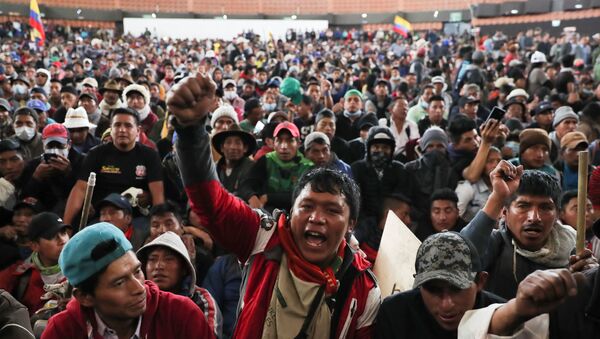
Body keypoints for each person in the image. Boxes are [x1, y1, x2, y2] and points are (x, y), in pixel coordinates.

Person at [166, 74, 380, 338]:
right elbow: (213, 204)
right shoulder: (264, 237)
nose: (316, 218)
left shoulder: (364, 289)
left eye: (332, 210)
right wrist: (190, 130)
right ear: (292, 212)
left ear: (351, 225)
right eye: (307, 206)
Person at [41, 222, 213, 338]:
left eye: (137, 271)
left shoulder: (181, 314)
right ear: (85, 297)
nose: (139, 288)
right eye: (119, 282)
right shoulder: (63, 331)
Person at [460, 164, 582, 299]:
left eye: (545, 207)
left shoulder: (574, 245)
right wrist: (497, 197)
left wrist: (590, 274)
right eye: (523, 206)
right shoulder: (493, 243)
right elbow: (460, 258)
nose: (534, 218)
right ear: (504, 212)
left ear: (557, 215)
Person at [375, 232, 505, 339]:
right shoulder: (395, 314)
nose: (446, 305)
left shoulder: (506, 318)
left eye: (457, 289)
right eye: (433, 290)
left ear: (480, 281)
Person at [63, 107, 164, 226]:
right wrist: (66, 226)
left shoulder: (150, 155)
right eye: (117, 125)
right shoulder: (96, 154)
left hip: (137, 219)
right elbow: (80, 189)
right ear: (111, 130)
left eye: (128, 125)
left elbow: (158, 197)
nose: (122, 130)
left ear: (138, 130)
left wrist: (159, 227)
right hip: (102, 218)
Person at [137, 231, 222, 338]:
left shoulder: (201, 301)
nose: (159, 266)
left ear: (183, 268)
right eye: (153, 259)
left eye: (168, 259)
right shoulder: (136, 299)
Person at [0, 212, 70, 315]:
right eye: (52, 236)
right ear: (34, 246)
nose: (62, 240)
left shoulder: (85, 271)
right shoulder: (19, 275)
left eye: (63, 232)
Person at [241, 121, 313, 212]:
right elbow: (247, 184)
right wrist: (251, 196)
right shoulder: (266, 160)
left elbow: (304, 195)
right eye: (279, 140)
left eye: (290, 140)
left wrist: (269, 198)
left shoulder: (307, 167)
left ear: (298, 143)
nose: (284, 146)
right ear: (273, 143)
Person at [20, 124, 83, 215]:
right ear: (43, 146)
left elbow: (82, 194)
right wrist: (36, 177)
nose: (54, 151)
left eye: (60, 146)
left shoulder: (81, 162)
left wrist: (68, 174)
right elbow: (24, 198)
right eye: (50, 146)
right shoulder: (33, 165)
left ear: (69, 144)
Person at [455, 147, 502, 222]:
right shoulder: (468, 188)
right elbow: (455, 217)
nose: (496, 165)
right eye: (490, 161)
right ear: (481, 164)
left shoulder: (505, 187)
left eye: (499, 161)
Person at [212, 125, 256, 197]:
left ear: (245, 148)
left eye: (238, 143)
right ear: (222, 148)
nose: (233, 147)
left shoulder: (253, 168)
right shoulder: (214, 168)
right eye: (228, 143)